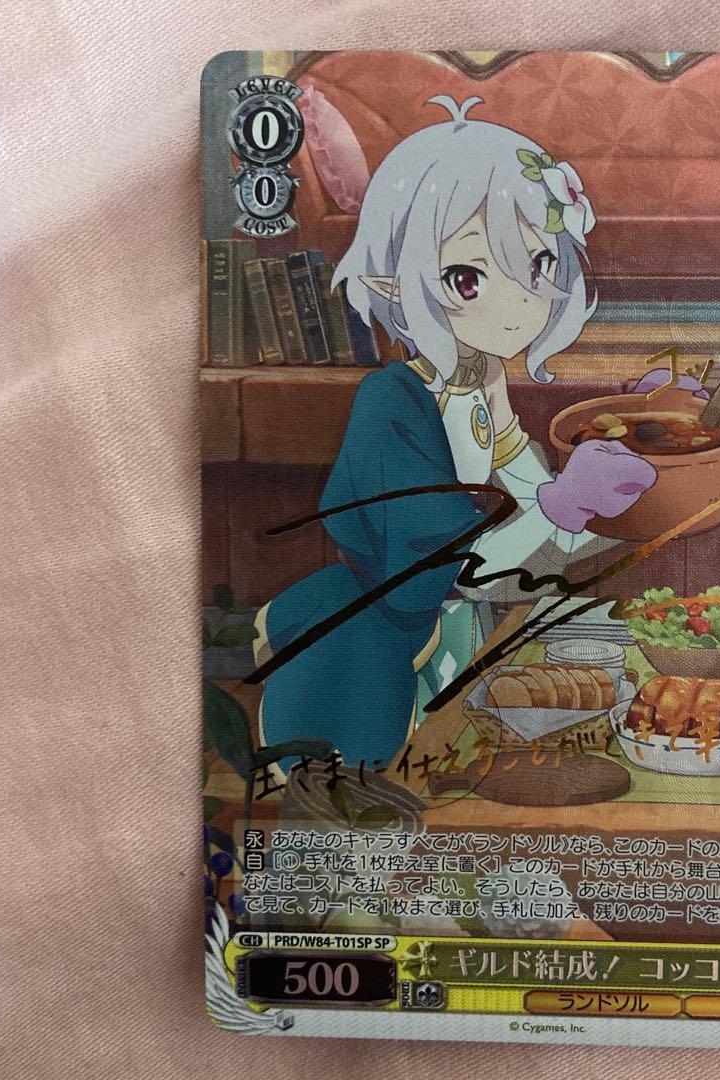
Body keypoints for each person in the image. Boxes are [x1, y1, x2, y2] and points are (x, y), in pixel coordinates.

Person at [253, 95, 671, 769]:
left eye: (539, 267)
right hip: (385, 631)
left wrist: (595, 481)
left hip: (463, 620)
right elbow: (452, 566)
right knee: (377, 778)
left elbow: (524, 495)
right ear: (396, 281)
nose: (522, 302)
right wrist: (562, 508)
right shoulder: (391, 404)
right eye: (468, 277)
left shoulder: (480, 377)